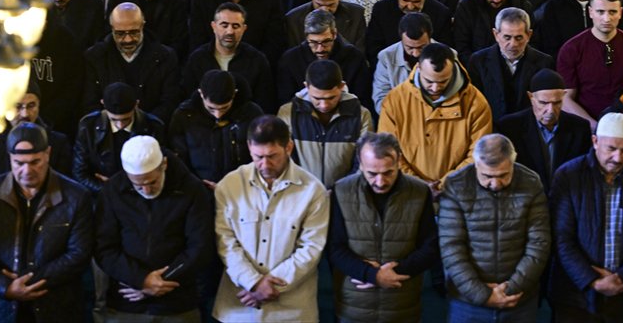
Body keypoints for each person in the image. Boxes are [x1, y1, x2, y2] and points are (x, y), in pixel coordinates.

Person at [0, 123, 94, 323]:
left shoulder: (76, 197)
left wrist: (25, 282)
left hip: (57, 306)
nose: (27, 170)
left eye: (35, 162)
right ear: (9, 158)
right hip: (3, 306)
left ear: (48, 154)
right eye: (19, 163)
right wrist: (4, 287)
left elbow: (79, 254)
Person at [549, 112, 623, 323]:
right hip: (576, 296)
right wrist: (591, 279)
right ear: (595, 141)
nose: (618, 158)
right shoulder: (568, 177)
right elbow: (561, 239)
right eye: (611, 149)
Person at [212, 116, 329, 321]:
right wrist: (254, 283)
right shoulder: (229, 185)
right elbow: (225, 242)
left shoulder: (313, 190)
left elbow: (311, 248)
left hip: (292, 311)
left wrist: (269, 286)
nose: (265, 164)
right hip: (239, 308)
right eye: (258, 156)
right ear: (249, 147)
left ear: (289, 147)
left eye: (272, 156)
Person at [95, 136, 213, 322]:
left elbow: (200, 247)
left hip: (177, 302)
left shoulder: (192, 189)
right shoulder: (112, 191)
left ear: (164, 165)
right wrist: (141, 280)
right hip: (127, 301)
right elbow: (104, 248)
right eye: (138, 185)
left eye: (152, 182)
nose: (147, 190)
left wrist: (157, 282)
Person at [327, 131, 440, 323]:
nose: (380, 182)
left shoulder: (420, 191)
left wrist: (393, 273)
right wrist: (372, 275)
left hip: (402, 306)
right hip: (353, 308)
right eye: (372, 173)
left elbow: (430, 247)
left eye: (388, 172)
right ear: (360, 164)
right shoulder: (342, 190)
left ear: (399, 162)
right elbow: (334, 248)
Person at [438, 134, 552, 323]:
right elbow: (451, 246)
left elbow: (539, 243)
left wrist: (510, 288)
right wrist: (482, 294)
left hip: (518, 298)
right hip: (467, 301)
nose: (495, 184)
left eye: (503, 175)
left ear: (512, 164)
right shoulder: (456, 184)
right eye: (487, 176)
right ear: (476, 165)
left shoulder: (531, 182)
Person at [378, 42, 493, 195]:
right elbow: (388, 149)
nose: (435, 88)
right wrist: (418, 184)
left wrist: (446, 183)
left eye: (442, 82)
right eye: (429, 81)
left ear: (452, 70)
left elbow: (478, 153)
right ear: (418, 68)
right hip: (407, 190)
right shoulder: (395, 100)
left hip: (458, 191)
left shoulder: (475, 103)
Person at [557, 0, 623, 127]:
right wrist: (594, 126)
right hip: (585, 128)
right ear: (590, 12)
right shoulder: (571, 49)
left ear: (620, 13)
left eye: (612, 12)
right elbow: (565, 99)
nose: (606, 19)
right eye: (600, 12)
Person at [278, 59, 373, 189]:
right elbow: (284, 158)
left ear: (341, 86)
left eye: (331, 98)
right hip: (301, 193)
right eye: (317, 98)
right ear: (306, 86)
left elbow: (363, 161)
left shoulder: (361, 115)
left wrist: (342, 190)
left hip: (347, 193)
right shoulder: (288, 112)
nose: (324, 105)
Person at [81, 1, 182, 123]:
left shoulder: (165, 56)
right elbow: (89, 102)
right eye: (120, 34)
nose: (128, 39)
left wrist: (144, 124)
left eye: (134, 32)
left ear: (142, 26)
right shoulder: (95, 57)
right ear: (111, 28)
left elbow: (170, 101)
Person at [497, 69, 593, 191]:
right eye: (543, 103)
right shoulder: (509, 127)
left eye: (557, 103)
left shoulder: (580, 128)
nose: (550, 110)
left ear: (564, 96)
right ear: (531, 97)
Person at [169, 69, 263, 189]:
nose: (217, 115)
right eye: (211, 108)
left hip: (244, 187)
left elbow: (261, 156)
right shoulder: (184, 116)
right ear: (201, 94)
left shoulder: (251, 114)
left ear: (234, 94)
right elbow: (178, 160)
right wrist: (198, 183)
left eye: (224, 108)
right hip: (198, 189)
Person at [466, 7, 553, 120]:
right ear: (496, 34)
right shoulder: (478, 61)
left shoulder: (544, 62)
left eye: (519, 38)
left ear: (529, 35)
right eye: (507, 37)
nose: (513, 44)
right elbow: (474, 103)